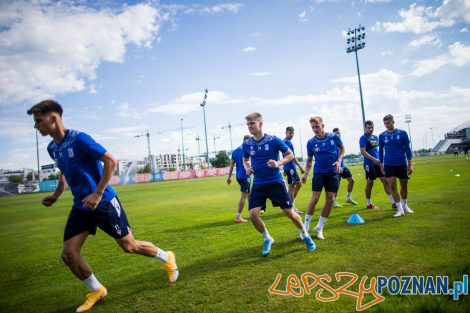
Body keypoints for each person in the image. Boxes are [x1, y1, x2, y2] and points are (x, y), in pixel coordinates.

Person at [27, 100, 178, 313]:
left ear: (53, 118)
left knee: (129, 246)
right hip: (81, 207)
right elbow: (64, 172)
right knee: (69, 254)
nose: (36, 126)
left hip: (104, 202)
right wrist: (56, 195)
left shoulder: (79, 139)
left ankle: (167, 256)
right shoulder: (53, 148)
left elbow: (110, 161)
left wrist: (98, 193)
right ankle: (97, 290)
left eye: (39, 121)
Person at [242, 112, 315, 256]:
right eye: (248, 124)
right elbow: (245, 159)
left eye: (252, 123)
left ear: (260, 124)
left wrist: (278, 163)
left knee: (289, 213)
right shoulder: (247, 144)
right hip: (258, 183)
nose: (250, 127)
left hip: (275, 182)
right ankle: (267, 238)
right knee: (252, 214)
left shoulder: (273, 140)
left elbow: (290, 155)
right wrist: (247, 167)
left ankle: (305, 235)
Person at [302, 117, 344, 240]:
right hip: (319, 173)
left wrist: (339, 161)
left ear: (323, 125)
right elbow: (309, 161)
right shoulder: (311, 142)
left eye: (317, 126)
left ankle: (319, 228)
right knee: (314, 199)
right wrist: (305, 174)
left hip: (332, 173)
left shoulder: (334, 137)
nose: (315, 129)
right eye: (313, 127)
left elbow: (342, 149)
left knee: (330, 200)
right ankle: (305, 228)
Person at [379, 114, 414, 217]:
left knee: (404, 185)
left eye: (388, 122)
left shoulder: (402, 133)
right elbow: (380, 151)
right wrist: (381, 164)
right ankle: (399, 209)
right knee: (392, 185)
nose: (386, 125)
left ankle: (405, 205)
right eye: (385, 123)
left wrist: (410, 164)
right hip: (389, 164)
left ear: (393, 122)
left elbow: (408, 149)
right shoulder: (382, 135)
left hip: (401, 163)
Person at [359, 120, 397, 210]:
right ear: (365, 128)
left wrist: (381, 160)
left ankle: (393, 202)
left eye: (372, 127)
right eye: (369, 127)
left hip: (378, 163)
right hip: (369, 164)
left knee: (385, 181)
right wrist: (374, 159)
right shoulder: (363, 138)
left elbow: (379, 150)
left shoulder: (376, 137)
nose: (371, 129)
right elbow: (362, 152)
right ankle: (368, 204)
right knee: (370, 183)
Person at [227, 135, 251, 223]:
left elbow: (231, 165)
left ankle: (252, 212)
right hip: (245, 176)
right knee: (244, 196)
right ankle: (238, 216)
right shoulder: (247, 150)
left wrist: (229, 177)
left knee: (249, 193)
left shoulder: (235, 151)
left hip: (238, 176)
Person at [331, 128, 357, 207]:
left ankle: (348, 197)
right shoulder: (332, 144)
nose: (337, 134)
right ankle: (333, 201)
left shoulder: (340, 144)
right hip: (337, 167)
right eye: (335, 133)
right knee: (336, 185)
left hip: (343, 167)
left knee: (352, 181)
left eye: (338, 133)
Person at [282, 126, 305, 214]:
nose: (292, 135)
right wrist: (300, 167)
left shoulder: (286, 142)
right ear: (286, 133)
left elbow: (285, 156)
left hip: (290, 167)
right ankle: (291, 207)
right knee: (291, 187)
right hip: (290, 167)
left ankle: (290, 203)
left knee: (299, 185)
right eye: (290, 133)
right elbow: (292, 156)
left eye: (292, 133)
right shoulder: (287, 142)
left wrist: (284, 168)